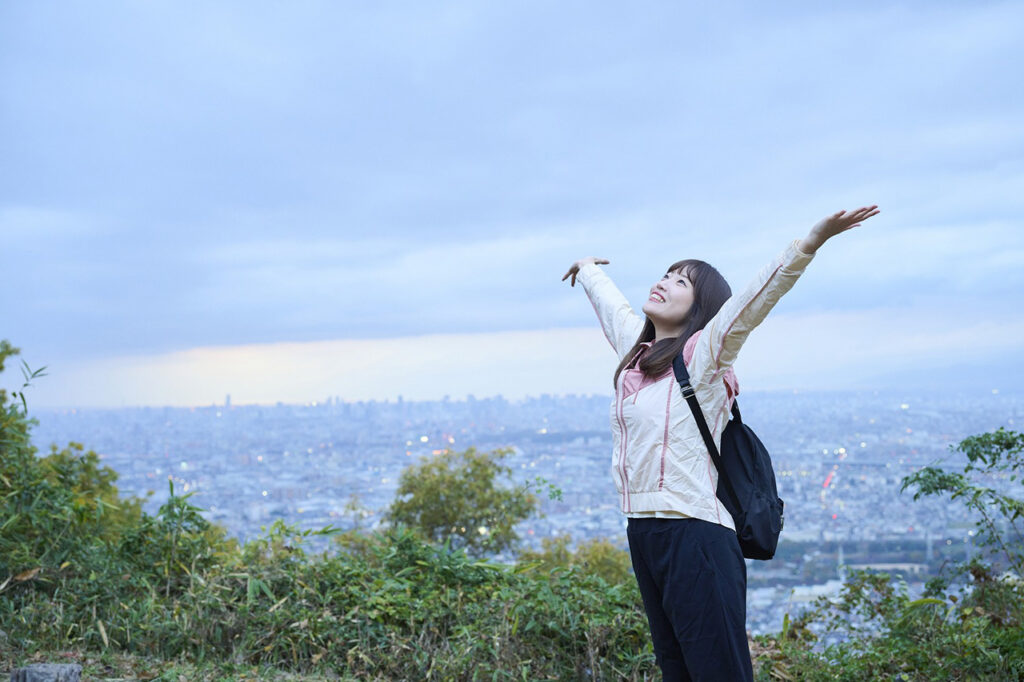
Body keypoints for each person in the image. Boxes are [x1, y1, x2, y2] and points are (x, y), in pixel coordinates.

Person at [562, 206, 880, 681]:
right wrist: (588, 271)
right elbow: (617, 314)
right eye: (667, 274)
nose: (666, 282)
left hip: (696, 536)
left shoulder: (704, 356)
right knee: (678, 671)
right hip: (644, 532)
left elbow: (752, 302)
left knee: (718, 672)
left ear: (700, 308)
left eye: (682, 282)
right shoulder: (640, 357)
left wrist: (810, 242)